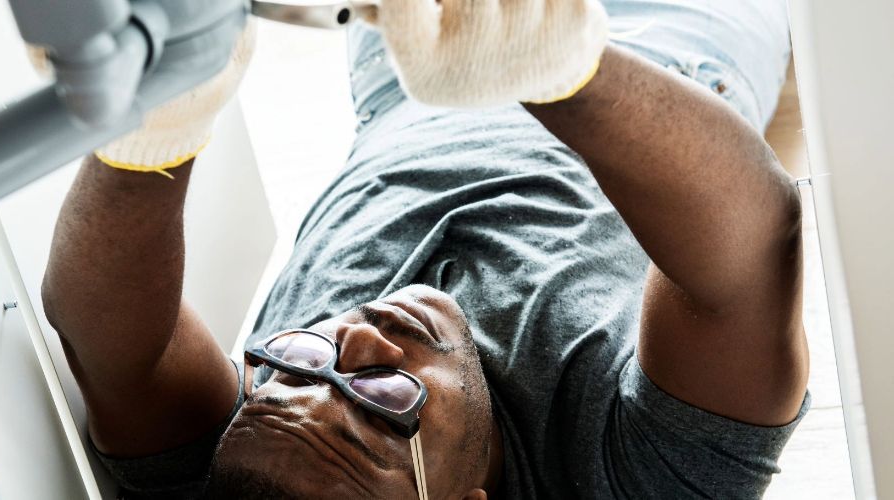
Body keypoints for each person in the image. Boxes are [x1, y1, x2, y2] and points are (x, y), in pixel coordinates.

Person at [40, 0, 809, 497]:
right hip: (660, 56)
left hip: (411, 62)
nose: (360, 335)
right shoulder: (632, 481)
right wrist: (560, 71)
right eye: (381, 402)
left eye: (302, 361)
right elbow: (751, 252)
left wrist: (154, 130)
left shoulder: (260, 467)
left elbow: (117, 350)